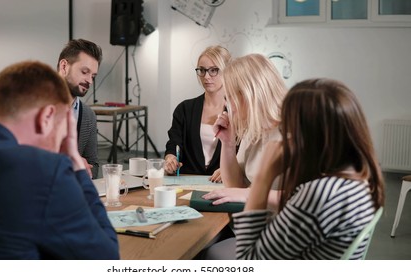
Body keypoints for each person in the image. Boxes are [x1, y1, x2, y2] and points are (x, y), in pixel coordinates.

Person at [0, 61, 119, 259]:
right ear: (46, 117)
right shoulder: (46, 171)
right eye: (62, 132)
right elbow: (107, 259)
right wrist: (76, 166)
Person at [232, 78, 385, 259]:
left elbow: (248, 261)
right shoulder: (359, 176)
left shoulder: (320, 194)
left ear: (306, 135)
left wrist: (263, 177)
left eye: (287, 128)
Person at [204, 53, 287, 207]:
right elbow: (235, 186)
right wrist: (227, 143)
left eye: (229, 97)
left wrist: (249, 193)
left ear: (249, 95)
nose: (227, 104)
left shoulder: (294, 130)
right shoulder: (253, 128)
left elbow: (309, 196)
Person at [164, 45, 231, 180]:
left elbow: (243, 154)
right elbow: (174, 143)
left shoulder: (238, 111)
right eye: (202, 70)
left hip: (224, 184)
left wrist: (230, 170)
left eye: (213, 70)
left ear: (227, 71)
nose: (206, 76)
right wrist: (170, 157)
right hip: (186, 182)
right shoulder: (184, 109)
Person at [57, 39, 101, 179]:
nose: (90, 81)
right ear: (64, 67)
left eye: (93, 76)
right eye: (84, 72)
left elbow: (93, 166)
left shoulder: (88, 115)